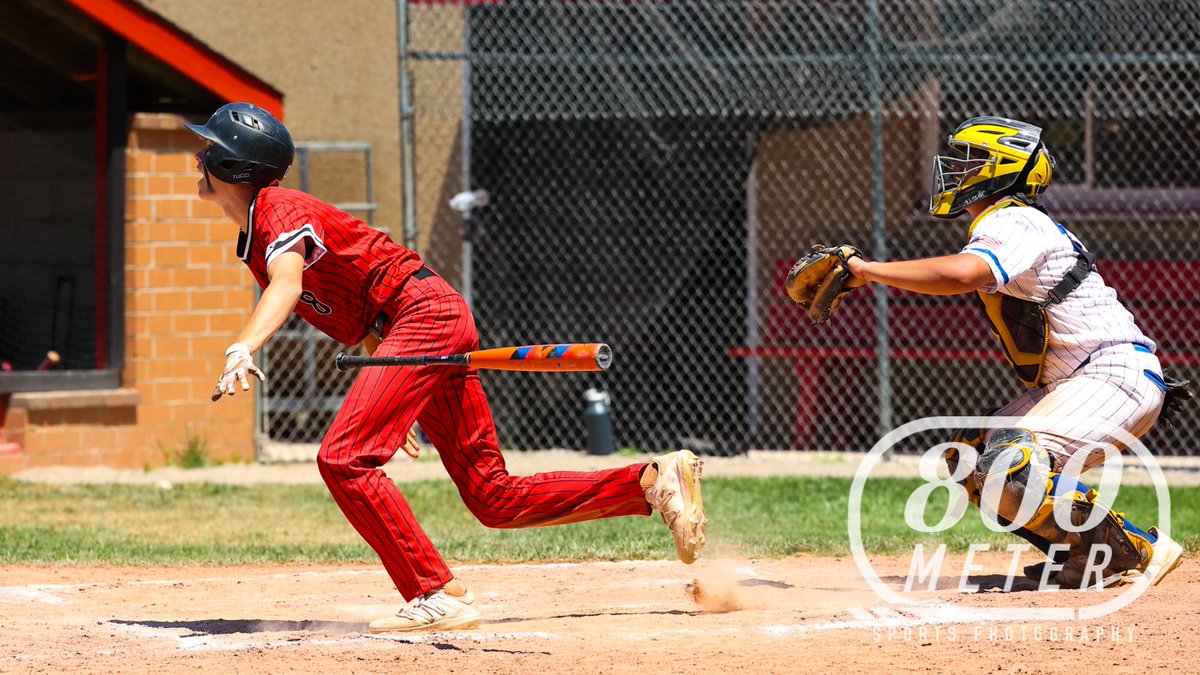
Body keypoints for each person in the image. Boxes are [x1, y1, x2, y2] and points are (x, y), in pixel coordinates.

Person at [186, 102, 708, 632]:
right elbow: (362, 314)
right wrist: (393, 396)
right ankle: (650, 481)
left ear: (235, 167)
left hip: (422, 315)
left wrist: (243, 346)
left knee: (344, 459)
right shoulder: (258, 231)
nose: (198, 160)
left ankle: (433, 592)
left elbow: (288, 285)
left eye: (209, 151)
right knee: (492, 496)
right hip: (412, 328)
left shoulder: (276, 207)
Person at [843, 116, 1185, 588]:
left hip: (1112, 376)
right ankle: (1090, 557)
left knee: (1009, 463)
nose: (956, 169)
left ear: (1002, 169)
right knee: (970, 457)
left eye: (971, 160)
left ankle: (1139, 549)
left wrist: (867, 271)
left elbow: (963, 274)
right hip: (1089, 381)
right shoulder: (1009, 221)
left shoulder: (1013, 218)